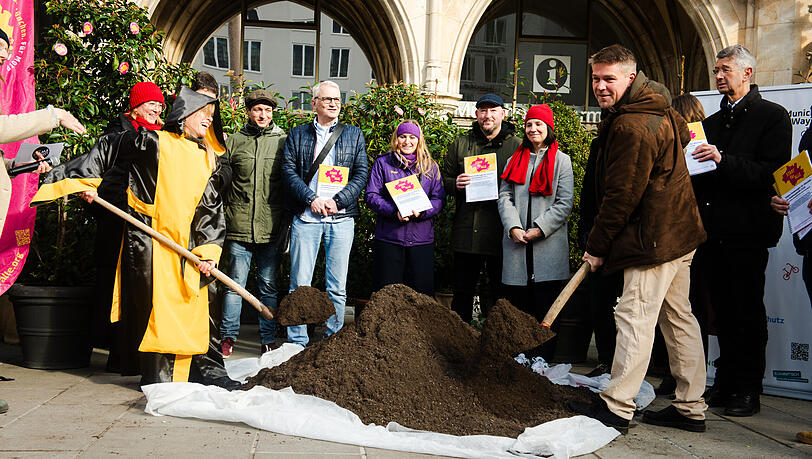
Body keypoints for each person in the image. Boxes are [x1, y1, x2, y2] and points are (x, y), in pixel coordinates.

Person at [33, 87, 240, 389]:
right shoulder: (153, 142)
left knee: (195, 306)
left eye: (211, 117)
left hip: (190, 247)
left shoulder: (207, 159)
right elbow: (108, 147)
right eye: (203, 115)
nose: (208, 122)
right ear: (184, 116)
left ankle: (202, 371)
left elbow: (210, 207)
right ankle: (161, 375)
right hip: (152, 243)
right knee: (157, 309)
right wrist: (84, 180)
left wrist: (209, 251)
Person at [569, 44, 708, 434]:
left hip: (656, 239)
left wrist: (596, 246)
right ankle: (690, 406)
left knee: (634, 316)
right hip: (681, 231)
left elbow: (622, 196)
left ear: (630, 77)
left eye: (609, 79)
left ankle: (616, 406)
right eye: (595, 78)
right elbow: (683, 138)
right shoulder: (657, 103)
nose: (599, 86)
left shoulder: (633, 125)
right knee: (678, 317)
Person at [692, 44, 792, 417]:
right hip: (713, 233)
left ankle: (748, 390)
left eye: (725, 69)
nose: (718, 76)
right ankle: (725, 381)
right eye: (716, 70)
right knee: (721, 314)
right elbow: (702, 181)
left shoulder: (773, 116)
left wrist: (723, 159)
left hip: (749, 233)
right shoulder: (711, 124)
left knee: (746, 313)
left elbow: (771, 174)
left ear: (748, 73)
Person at [82, 81, 166, 372]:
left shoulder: (162, 135)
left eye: (159, 104)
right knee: (117, 287)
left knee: (143, 288)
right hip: (119, 222)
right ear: (136, 105)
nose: (156, 108)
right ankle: (119, 354)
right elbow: (105, 174)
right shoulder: (118, 134)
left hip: (150, 223)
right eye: (151, 103)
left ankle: (139, 353)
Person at [281, 80, 367, 347]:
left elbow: (361, 173)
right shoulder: (298, 134)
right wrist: (311, 199)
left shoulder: (353, 134)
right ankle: (297, 342)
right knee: (299, 284)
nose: (333, 104)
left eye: (337, 100)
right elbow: (288, 171)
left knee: (337, 287)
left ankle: (333, 341)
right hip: (307, 217)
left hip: (341, 219)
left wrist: (338, 201)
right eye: (327, 99)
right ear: (314, 102)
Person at [497, 104, 573, 360]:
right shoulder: (513, 160)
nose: (533, 129)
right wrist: (514, 227)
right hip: (517, 244)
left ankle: (545, 359)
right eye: (529, 124)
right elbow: (504, 196)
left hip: (547, 245)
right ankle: (519, 358)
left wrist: (539, 229)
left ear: (548, 128)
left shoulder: (562, 161)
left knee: (546, 306)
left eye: (538, 124)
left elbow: (565, 203)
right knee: (519, 306)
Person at [441, 93, 521, 324]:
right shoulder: (461, 143)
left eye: (493, 111)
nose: (488, 116)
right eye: (483, 111)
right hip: (467, 231)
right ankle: (460, 342)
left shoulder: (516, 147)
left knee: (501, 293)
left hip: (501, 233)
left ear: (503, 114)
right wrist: (454, 184)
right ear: (476, 115)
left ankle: (496, 343)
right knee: (462, 292)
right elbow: (443, 180)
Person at [219, 89, 287, 357]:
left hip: (270, 226)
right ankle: (228, 337)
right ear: (248, 112)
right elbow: (222, 181)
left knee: (268, 285)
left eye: (268, 111)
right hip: (239, 225)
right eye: (258, 110)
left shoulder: (283, 141)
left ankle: (268, 338)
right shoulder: (234, 141)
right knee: (234, 285)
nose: (263, 115)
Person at [652, 93, 708, 397]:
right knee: (683, 309)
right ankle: (688, 389)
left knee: (678, 311)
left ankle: (682, 383)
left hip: (679, 232)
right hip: (693, 232)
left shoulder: (687, 143)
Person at [365, 120, 445, 296]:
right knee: (386, 295)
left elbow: (438, 198)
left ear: (419, 140)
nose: (407, 141)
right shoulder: (383, 163)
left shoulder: (430, 166)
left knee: (421, 296)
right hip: (390, 238)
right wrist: (394, 212)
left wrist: (423, 211)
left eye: (412, 137)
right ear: (396, 139)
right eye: (402, 137)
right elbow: (371, 195)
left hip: (421, 239)